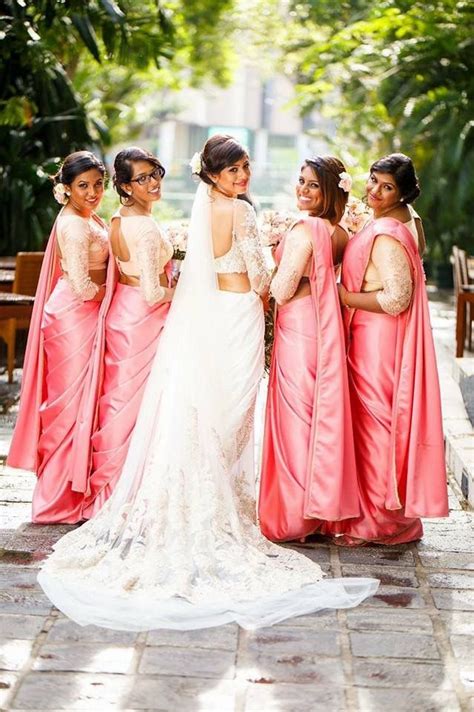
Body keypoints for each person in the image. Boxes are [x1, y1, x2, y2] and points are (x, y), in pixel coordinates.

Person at [38, 135, 378, 631]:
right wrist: (305, 273)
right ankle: (224, 506)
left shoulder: (202, 209)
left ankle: (213, 497)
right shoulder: (239, 213)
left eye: (246, 168)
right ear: (214, 173)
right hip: (238, 313)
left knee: (208, 406)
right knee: (233, 411)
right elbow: (263, 279)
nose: (243, 177)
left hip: (209, 314)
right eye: (235, 170)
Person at [334, 152, 448, 545]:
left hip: (378, 340)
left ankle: (380, 521)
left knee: (378, 426)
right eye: (374, 182)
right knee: (377, 425)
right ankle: (386, 515)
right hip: (378, 336)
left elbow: (397, 297)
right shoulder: (403, 220)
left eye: (387, 187)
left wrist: (346, 297)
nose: (375, 192)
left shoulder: (387, 234)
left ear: (403, 192)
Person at [259, 156, 360, 542]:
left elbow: (281, 290)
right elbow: (326, 280)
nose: (303, 189)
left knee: (295, 420)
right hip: (325, 326)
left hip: (299, 327)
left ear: (331, 190)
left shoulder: (304, 231)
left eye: (313, 184)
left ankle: (294, 515)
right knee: (317, 416)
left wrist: (272, 259)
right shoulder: (340, 233)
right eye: (301, 180)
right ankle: (318, 509)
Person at [7, 151, 111, 523]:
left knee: (84, 404)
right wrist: (115, 291)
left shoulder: (89, 217)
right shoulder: (72, 225)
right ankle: (57, 499)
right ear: (65, 189)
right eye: (83, 186)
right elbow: (83, 286)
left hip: (84, 315)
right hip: (73, 317)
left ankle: (78, 489)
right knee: (67, 407)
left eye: (98, 184)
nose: (93, 192)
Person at [82, 147, 174, 519]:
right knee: (136, 405)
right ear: (123, 185)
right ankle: (126, 490)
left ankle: (108, 487)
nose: (152, 183)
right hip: (143, 317)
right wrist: (187, 290)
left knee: (118, 400)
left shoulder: (118, 219)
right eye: (142, 178)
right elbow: (153, 292)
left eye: (155, 173)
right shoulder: (147, 229)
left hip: (122, 310)